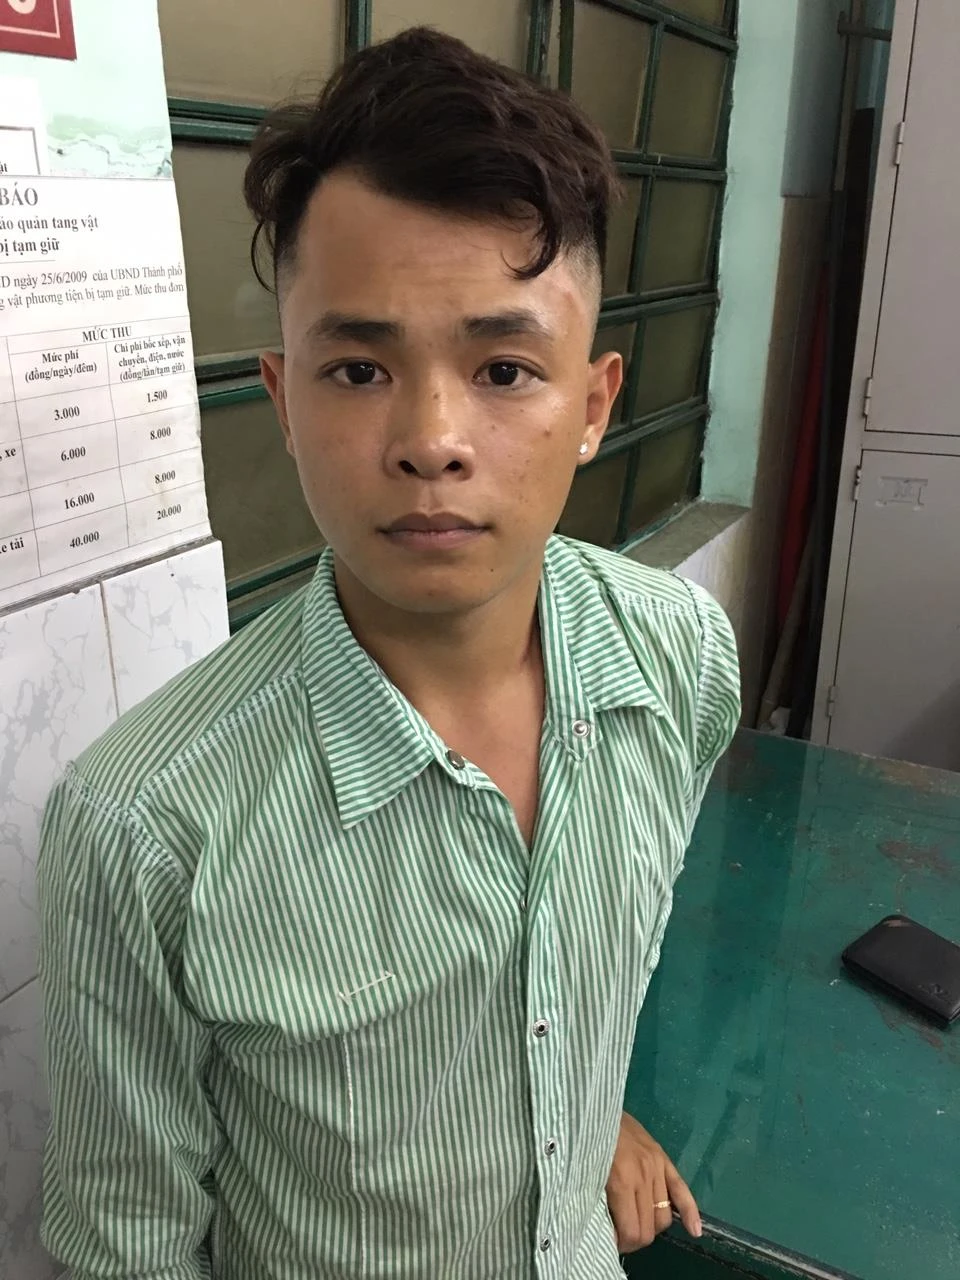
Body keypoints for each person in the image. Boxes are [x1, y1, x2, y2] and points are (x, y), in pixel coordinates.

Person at [38, 27, 740, 1280]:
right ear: (283, 397)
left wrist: (585, 1113)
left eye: (505, 367)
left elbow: (592, 961)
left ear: (592, 406)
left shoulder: (677, 657)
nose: (431, 438)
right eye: (359, 368)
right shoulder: (145, 825)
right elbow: (124, 1246)